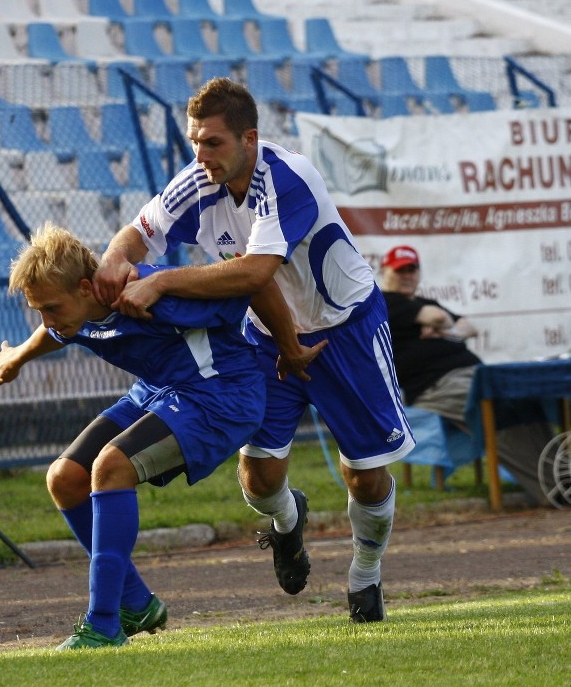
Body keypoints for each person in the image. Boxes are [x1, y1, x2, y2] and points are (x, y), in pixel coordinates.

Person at [92, 77, 415, 623]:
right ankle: (289, 525)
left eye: (213, 142)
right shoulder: (199, 179)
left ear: (250, 138)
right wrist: (112, 261)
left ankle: (365, 574)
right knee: (258, 479)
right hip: (267, 338)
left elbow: (257, 270)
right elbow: (139, 231)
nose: (201, 155)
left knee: (364, 474)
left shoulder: (286, 179)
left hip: (345, 329)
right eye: (194, 141)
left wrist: (163, 281)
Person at [0, 222, 266, 649]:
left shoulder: (149, 292)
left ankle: (102, 624)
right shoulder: (74, 312)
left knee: (111, 466)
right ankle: (136, 603)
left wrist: (292, 350)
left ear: (85, 287)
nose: (47, 319)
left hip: (219, 395)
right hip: (160, 392)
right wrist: (18, 357)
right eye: (38, 310)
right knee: (64, 478)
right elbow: (56, 332)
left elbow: (249, 288)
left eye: (51, 307)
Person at [380, 244, 556, 504]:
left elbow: (468, 326)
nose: (407, 275)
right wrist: (440, 323)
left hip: (473, 374)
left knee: (525, 401)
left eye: (412, 269)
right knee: (499, 409)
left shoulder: (423, 301)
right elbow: (438, 316)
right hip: (435, 386)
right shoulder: (385, 301)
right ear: (385, 271)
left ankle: (559, 476)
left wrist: (445, 331)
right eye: (400, 270)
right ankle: (550, 490)